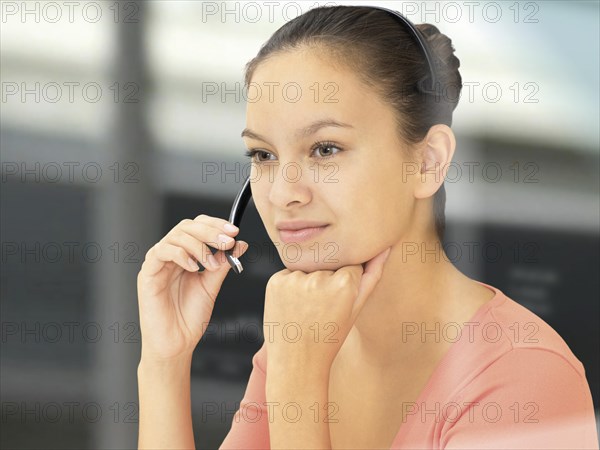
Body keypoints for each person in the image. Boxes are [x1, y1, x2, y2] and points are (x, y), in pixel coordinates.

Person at [137, 5, 599, 449]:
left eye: (325, 149)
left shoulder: (524, 378)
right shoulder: (304, 343)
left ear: (426, 161)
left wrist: (298, 388)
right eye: (263, 155)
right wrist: (164, 361)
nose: (282, 194)